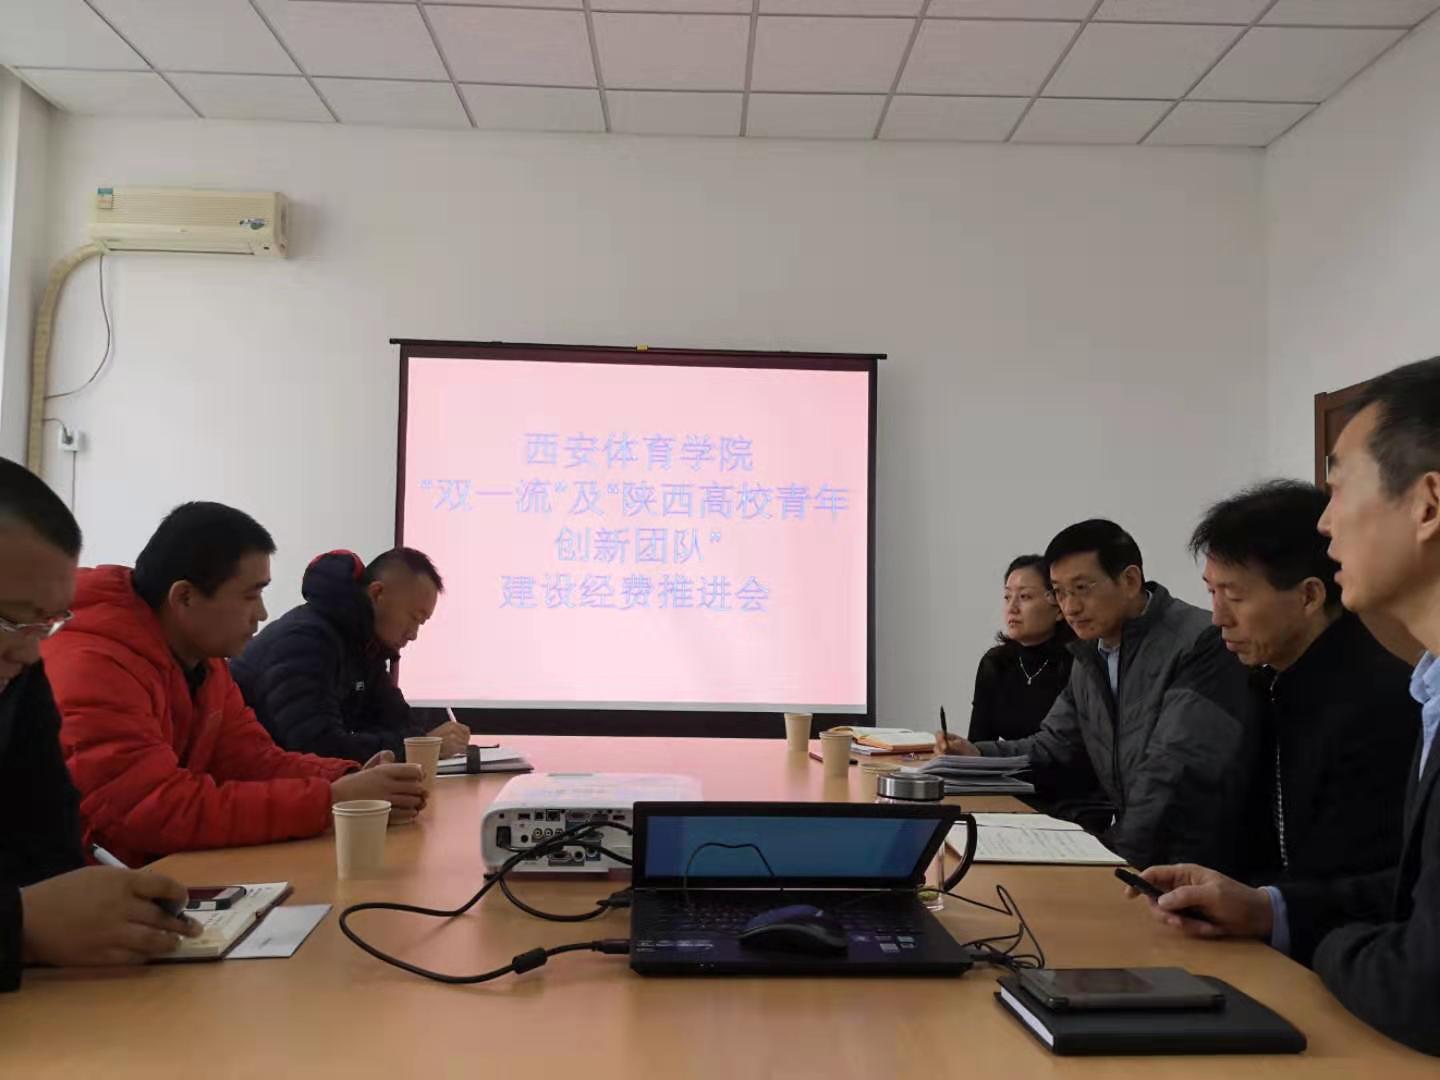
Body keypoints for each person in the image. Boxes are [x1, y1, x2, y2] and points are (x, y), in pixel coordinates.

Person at [1129, 356, 1440, 1056]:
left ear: (1427, 504)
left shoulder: (1383, 698)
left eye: (1341, 487)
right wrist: (1264, 908)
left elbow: (1422, 975)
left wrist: (1319, 940)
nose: (1327, 524)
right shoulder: (1410, 687)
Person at [43, 502, 428, 867]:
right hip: (82, 889)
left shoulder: (205, 662)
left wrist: (347, 778)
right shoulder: (94, 666)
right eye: (251, 595)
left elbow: (253, 760)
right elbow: (158, 809)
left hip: (158, 873)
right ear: (185, 597)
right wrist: (328, 800)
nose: (261, 613)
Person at [937, 519, 1255, 873]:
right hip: (1141, 855)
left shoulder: (1199, 642)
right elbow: (1054, 745)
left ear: (1130, 581)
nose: (1070, 607)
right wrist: (978, 754)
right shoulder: (1091, 653)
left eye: (1081, 588)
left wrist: (1115, 860)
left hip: (1198, 866)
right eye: (1059, 592)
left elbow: (1172, 775)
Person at [0, 458, 199, 990]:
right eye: (10, 617)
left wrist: (105, 911)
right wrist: (21, 926)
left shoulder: (20, 676)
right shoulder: (96, 661)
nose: (29, 649)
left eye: (46, 622)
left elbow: (48, 853)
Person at [1192, 479, 1418, 883]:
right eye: (1212, 593)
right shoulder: (1268, 680)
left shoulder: (1377, 702)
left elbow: (1357, 876)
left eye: (1234, 596)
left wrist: (1261, 906)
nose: (1219, 617)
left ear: (1309, 596)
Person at [231, 548, 469, 762]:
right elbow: (319, 749)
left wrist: (422, 741)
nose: (414, 634)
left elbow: (400, 722)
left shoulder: (365, 646)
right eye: (414, 618)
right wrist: (422, 746)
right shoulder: (305, 641)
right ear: (377, 593)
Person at [968, 555, 1076, 744]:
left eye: (1025, 596)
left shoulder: (1077, 664)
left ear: (1059, 608)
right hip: (1008, 764)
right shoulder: (996, 663)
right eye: (1007, 597)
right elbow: (978, 745)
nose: (1012, 608)